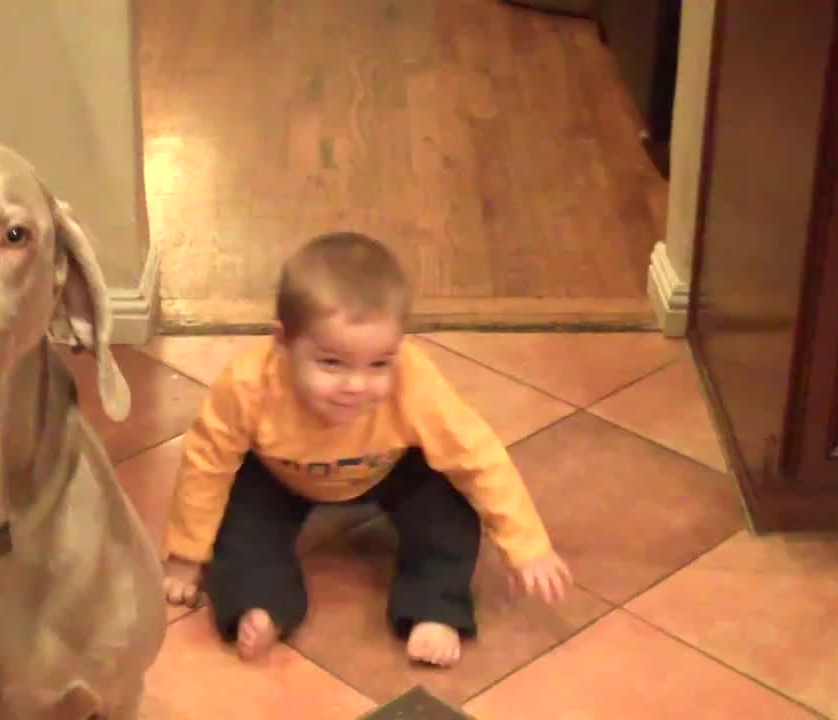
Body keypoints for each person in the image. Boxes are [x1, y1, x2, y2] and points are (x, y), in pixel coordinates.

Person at [161, 231, 572, 667]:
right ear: (282, 342)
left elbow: (477, 455)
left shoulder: (415, 383)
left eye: (380, 363)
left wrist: (527, 543)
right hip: (278, 475)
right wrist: (185, 556)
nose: (356, 386)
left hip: (391, 468)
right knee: (236, 532)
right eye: (332, 363)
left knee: (451, 513)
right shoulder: (247, 387)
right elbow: (205, 467)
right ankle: (260, 605)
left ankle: (433, 609)